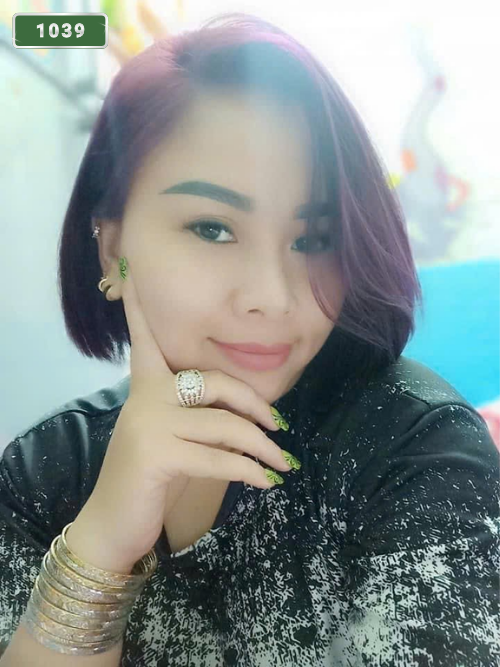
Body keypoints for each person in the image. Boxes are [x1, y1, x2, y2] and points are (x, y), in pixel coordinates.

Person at [1, 12, 498, 667]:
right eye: (212, 228)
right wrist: (99, 546)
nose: (273, 295)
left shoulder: (414, 449)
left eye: (313, 239)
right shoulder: (46, 467)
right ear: (112, 248)